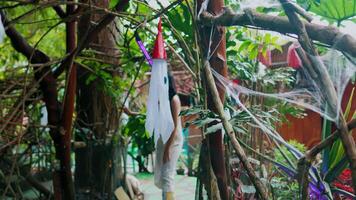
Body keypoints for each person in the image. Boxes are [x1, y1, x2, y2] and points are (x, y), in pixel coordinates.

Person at [154, 74, 183, 200]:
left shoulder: (174, 100)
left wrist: (167, 149)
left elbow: (174, 127)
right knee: (163, 176)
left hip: (173, 141)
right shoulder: (163, 99)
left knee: (167, 176)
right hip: (164, 139)